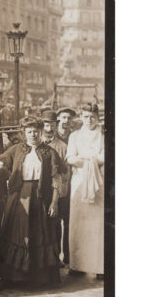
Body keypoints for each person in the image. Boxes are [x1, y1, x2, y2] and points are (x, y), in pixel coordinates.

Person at [0, 117, 63, 286]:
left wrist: (54, 202)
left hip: (41, 197)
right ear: (24, 133)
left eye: (36, 131)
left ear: (40, 131)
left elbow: (56, 179)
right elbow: (2, 162)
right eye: (29, 131)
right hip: (19, 197)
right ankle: (16, 278)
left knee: (40, 234)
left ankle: (41, 278)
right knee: (19, 234)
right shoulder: (16, 150)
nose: (33, 134)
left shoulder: (49, 152)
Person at [67, 103, 104, 278]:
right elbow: (70, 158)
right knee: (79, 223)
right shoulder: (74, 136)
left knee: (98, 225)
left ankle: (100, 267)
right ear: (81, 117)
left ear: (97, 117)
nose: (89, 120)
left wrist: (87, 159)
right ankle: (77, 265)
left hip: (99, 183)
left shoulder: (103, 135)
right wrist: (91, 160)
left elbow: (106, 155)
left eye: (92, 116)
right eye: (86, 116)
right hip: (80, 182)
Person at [42, 110, 70, 266]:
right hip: (40, 191)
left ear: (56, 125)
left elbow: (66, 172)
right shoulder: (36, 144)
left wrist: (60, 192)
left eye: (52, 124)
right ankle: (45, 258)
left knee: (57, 223)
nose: (49, 128)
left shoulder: (62, 147)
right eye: (46, 124)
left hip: (57, 191)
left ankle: (59, 257)